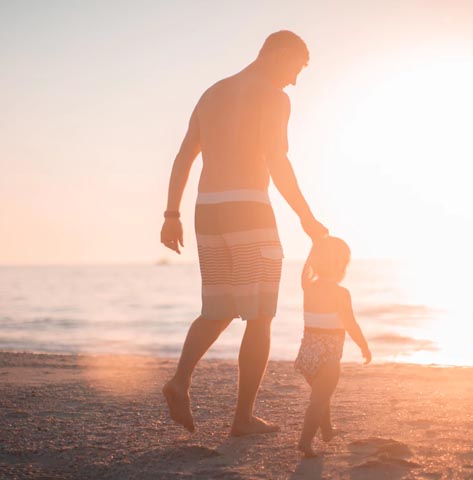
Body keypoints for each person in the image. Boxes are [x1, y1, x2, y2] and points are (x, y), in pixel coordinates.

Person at [160, 30, 328, 436]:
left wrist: (171, 214)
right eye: (295, 68)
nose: (294, 80)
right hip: (249, 211)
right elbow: (277, 161)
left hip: (207, 212)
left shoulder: (213, 93)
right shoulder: (273, 97)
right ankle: (242, 419)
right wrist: (306, 217)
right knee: (260, 316)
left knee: (217, 310)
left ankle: (179, 381)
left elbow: (185, 155)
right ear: (278, 54)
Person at [294, 236, 371, 457]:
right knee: (318, 399)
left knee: (321, 394)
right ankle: (305, 441)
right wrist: (363, 346)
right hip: (328, 355)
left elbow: (305, 270)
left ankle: (326, 431)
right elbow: (350, 324)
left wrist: (313, 246)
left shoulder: (308, 287)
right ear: (341, 267)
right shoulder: (340, 293)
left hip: (307, 353)